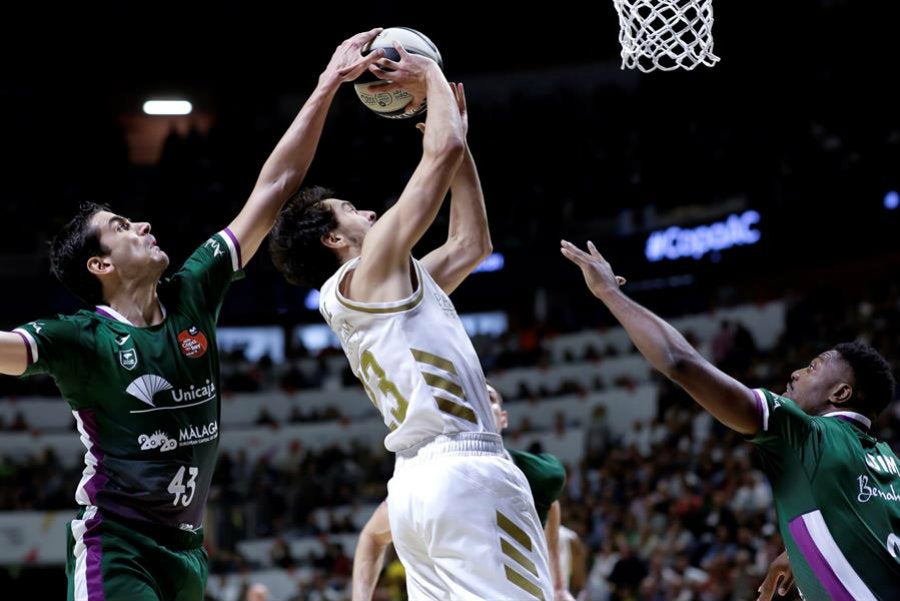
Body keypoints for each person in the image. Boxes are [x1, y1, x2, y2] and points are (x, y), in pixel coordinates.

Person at [0, 28, 386, 601]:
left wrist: (328, 84)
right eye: (122, 227)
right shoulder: (79, 338)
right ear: (100, 265)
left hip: (187, 552)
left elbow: (276, 185)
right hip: (118, 545)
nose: (144, 226)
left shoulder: (193, 291)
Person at [270, 51, 552, 600]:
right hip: (464, 470)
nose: (369, 213)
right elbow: (436, 152)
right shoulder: (369, 271)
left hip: (414, 490)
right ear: (333, 239)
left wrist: (462, 144)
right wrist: (431, 79)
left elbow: (472, 244)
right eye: (350, 209)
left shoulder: (380, 288)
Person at [560, 239, 899, 600]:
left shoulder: (806, 435)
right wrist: (795, 554)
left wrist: (609, 293)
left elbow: (680, 362)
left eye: (813, 367)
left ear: (840, 394)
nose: (797, 373)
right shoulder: (889, 462)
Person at [351, 384, 576, 601]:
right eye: (470, 398)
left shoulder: (539, 473)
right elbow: (372, 535)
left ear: (504, 418)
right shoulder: (433, 478)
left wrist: (558, 586)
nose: (478, 404)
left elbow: (551, 502)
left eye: (488, 398)